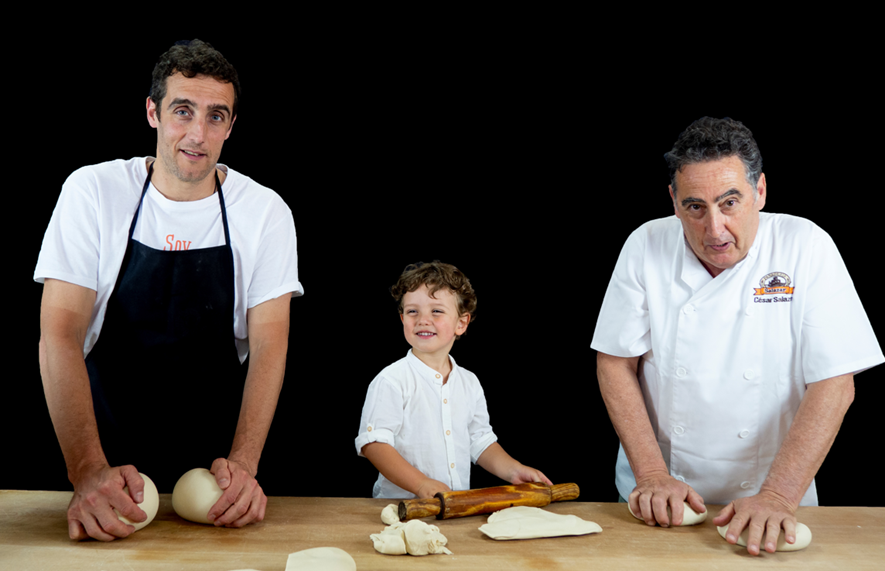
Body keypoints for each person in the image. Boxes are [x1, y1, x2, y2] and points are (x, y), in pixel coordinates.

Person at [34, 39, 302, 541]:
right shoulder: (93, 192)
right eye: (183, 111)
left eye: (216, 116)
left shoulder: (264, 212)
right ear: (153, 112)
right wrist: (88, 470)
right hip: (103, 461)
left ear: (232, 126)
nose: (198, 134)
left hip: (214, 475)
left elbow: (270, 344)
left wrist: (243, 464)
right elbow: (59, 335)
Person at [591, 117, 883, 555]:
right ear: (672, 200)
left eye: (730, 203)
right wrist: (651, 475)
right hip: (661, 499)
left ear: (760, 191)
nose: (714, 229)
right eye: (695, 207)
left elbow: (835, 383)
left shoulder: (805, 245)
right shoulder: (645, 245)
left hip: (777, 498)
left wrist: (779, 495)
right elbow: (614, 363)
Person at [355, 261, 551, 499]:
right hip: (401, 510)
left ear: (461, 323)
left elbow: (480, 442)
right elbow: (374, 444)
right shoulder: (391, 380)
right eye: (412, 311)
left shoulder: (469, 383)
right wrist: (421, 484)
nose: (423, 320)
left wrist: (514, 471)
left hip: (454, 508)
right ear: (402, 318)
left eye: (436, 311)